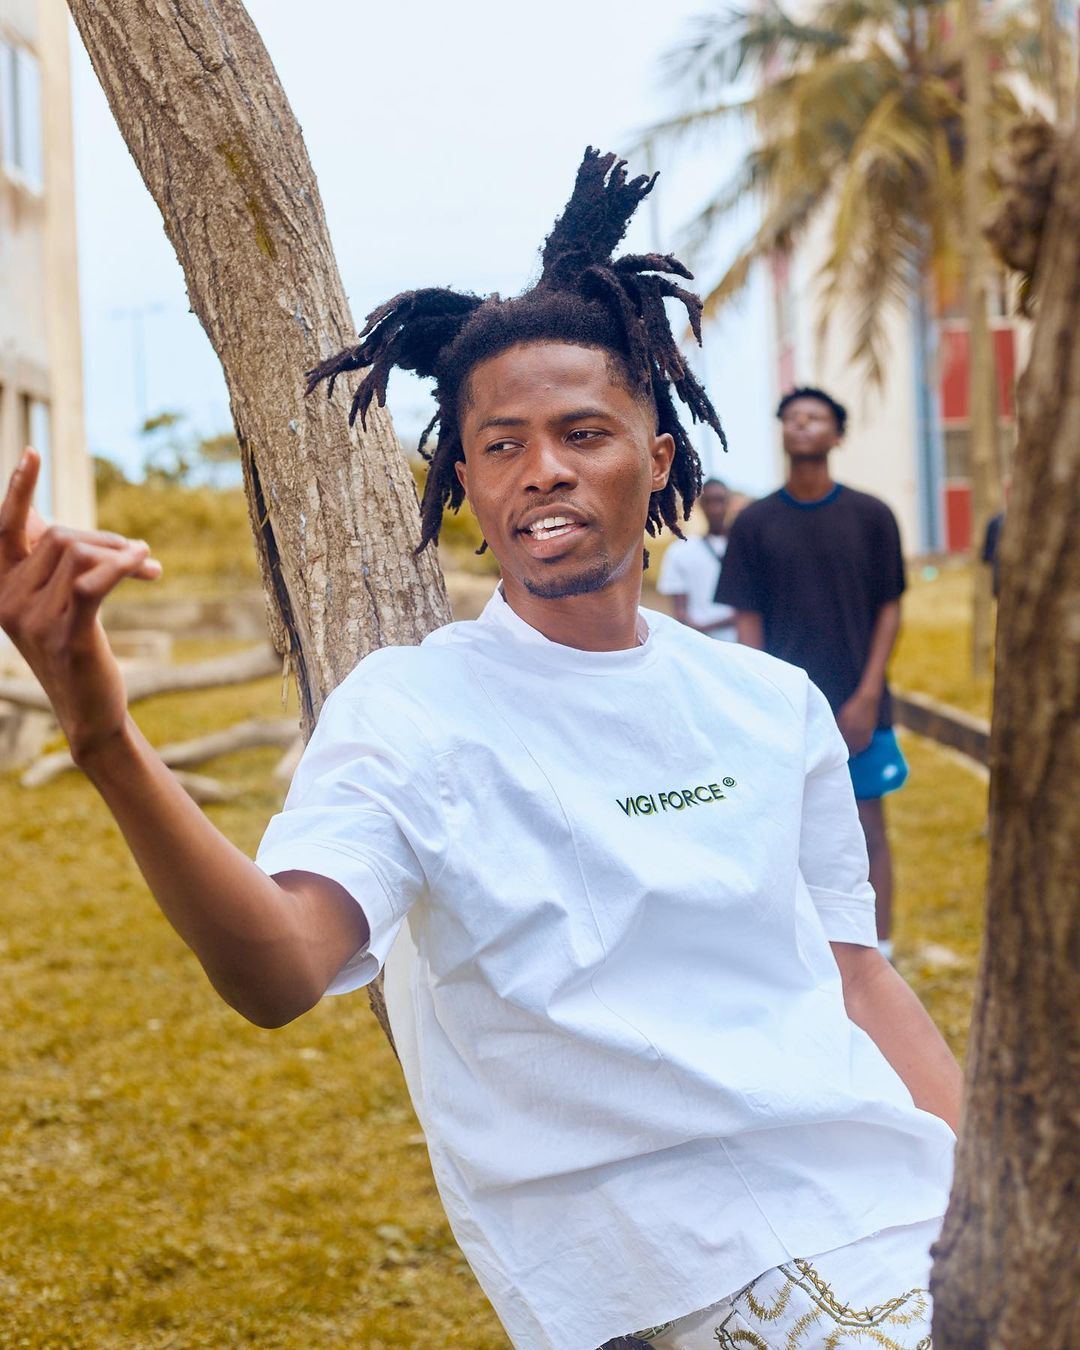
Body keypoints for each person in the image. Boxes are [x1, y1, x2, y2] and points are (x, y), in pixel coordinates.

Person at [0, 152, 959, 1350]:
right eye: (500, 445)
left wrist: (997, 1198)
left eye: (584, 432)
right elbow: (279, 969)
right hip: (676, 1270)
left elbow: (859, 980)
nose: (543, 467)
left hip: (891, 1201)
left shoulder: (769, 704)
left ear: (660, 458)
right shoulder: (414, 715)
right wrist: (104, 737)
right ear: (464, 481)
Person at [716, 387, 908, 961]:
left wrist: (868, 694)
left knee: (868, 828)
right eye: (792, 417)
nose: (801, 425)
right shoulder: (754, 523)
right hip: (784, 706)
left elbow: (890, 607)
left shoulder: (872, 516)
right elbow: (746, 616)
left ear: (837, 435)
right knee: (788, 832)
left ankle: (881, 952)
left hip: (858, 703)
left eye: (815, 417)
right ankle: (805, 955)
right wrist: (764, 699)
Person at [656, 478, 737, 639]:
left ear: (729, 503)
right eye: (709, 501)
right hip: (698, 644)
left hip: (739, 645)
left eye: (720, 500)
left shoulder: (746, 548)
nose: (715, 509)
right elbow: (680, 612)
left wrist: (703, 627)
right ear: (700, 505)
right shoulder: (680, 551)